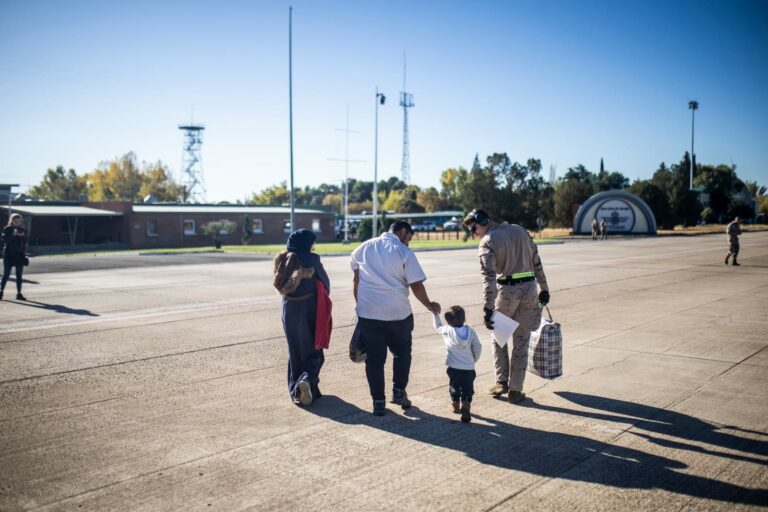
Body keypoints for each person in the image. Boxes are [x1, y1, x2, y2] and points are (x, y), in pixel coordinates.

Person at [351, 220, 441, 416]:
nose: (408, 242)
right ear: (402, 232)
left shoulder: (362, 248)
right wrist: (430, 305)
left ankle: (378, 402)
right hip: (398, 314)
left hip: (368, 314)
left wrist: (361, 306)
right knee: (402, 353)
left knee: (374, 360)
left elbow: (356, 280)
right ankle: (399, 392)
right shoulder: (404, 252)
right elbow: (416, 285)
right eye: (409, 238)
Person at [462, 209, 550, 403]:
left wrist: (488, 308)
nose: (473, 233)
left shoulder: (488, 241)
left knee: (499, 337)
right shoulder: (520, 230)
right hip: (530, 290)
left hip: (508, 292)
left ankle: (501, 382)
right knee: (522, 341)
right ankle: (515, 391)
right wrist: (544, 287)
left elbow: (489, 278)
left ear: (483, 221)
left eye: (474, 228)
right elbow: (536, 261)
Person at [273, 229, 330, 406]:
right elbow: (326, 284)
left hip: (288, 308)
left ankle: (297, 391)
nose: (314, 246)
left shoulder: (282, 258)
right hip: (309, 308)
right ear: (306, 243)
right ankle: (306, 379)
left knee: (295, 350)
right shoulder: (311, 259)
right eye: (313, 243)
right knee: (315, 349)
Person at [433, 305, 481, 423]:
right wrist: (473, 360)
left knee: (454, 386)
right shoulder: (471, 331)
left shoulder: (447, 330)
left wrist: (435, 314)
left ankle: (455, 404)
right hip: (468, 367)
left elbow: (438, 327)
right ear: (463, 318)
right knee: (468, 387)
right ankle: (466, 403)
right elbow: (477, 347)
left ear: (448, 320)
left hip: (454, 367)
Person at [1, 213, 28, 301]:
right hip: (8, 254)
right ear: (11, 221)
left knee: (19, 275)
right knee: (6, 274)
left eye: (19, 221)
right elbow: (5, 241)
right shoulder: (7, 229)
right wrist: (13, 235)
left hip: (19, 255)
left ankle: (19, 293)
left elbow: (26, 241)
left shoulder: (23, 229)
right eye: (15, 221)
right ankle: (1, 292)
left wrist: (22, 236)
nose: (17, 222)